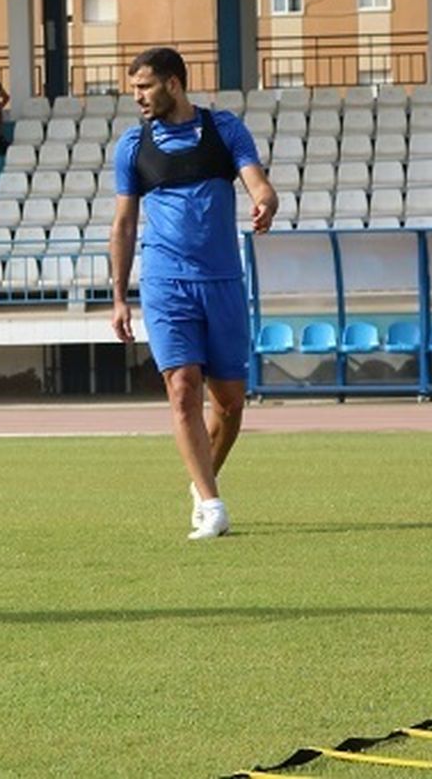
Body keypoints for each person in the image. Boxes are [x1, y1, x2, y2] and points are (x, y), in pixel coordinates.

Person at [107, 46, 277, 540]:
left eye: (144, 86)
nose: (137, 96)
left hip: (222, 283)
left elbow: (259, 185)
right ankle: (213, 505)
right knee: (182, 389)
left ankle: (202, 480)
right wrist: (120, 295)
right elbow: (123, 223)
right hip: (165, 283)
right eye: (134, 87)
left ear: (173, 84)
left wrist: (266, 204)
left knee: (229, 403)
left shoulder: (224, 130)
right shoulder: (132, 147)